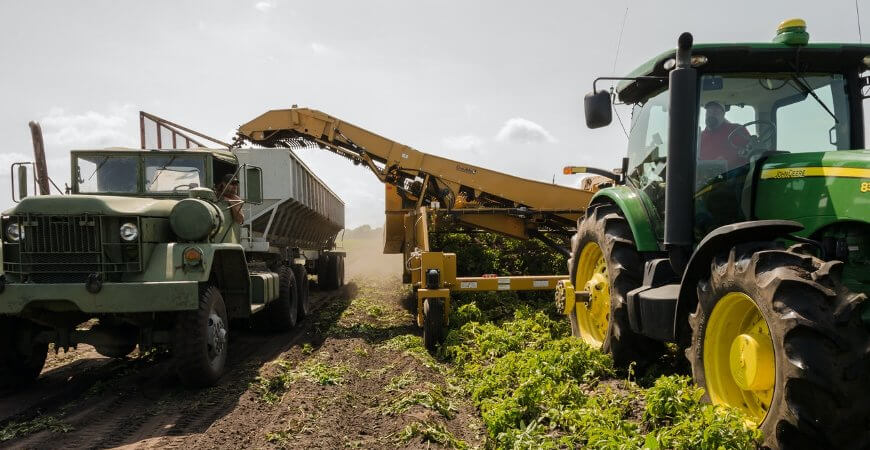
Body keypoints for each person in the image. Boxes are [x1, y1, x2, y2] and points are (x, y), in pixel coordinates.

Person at [699, 101, 751, 169]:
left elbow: (750, 150)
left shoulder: (737, 130)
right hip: (706, 176)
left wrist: (728, 158)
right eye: (709, 112)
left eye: (716, 112)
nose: (711, 115)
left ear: (723, 115)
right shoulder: (700, 137)